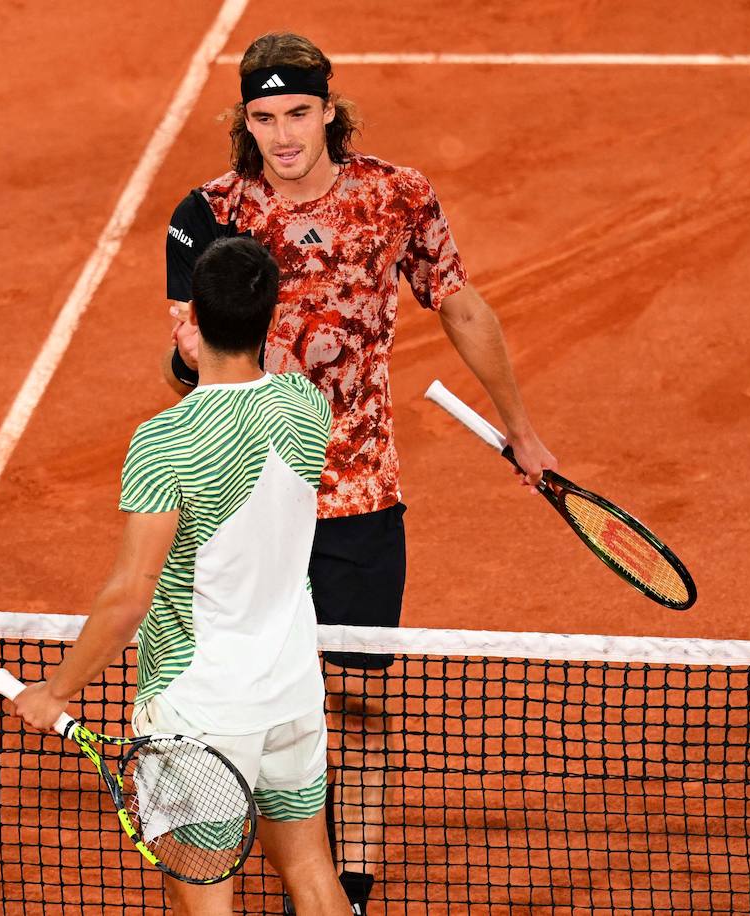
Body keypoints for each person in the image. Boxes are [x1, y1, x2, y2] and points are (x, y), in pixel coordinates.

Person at [160, 32, 559, 914]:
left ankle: (354, 885)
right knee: (230, 688)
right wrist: (208, 371)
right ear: (246, 123)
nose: (284, 134)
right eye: (264, 118)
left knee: (359, 703)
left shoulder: (397, 196)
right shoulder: (208, 213)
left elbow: (459, 302)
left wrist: (520, 430)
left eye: (298, 112)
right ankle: (239, 861)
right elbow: (184, 357)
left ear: (329, 109)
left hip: (361, 495)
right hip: (247, 497)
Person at [8, 236, 351, 916]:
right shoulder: (307, 406)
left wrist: (56, 689)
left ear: (192, 317)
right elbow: (250, 399)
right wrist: (212, 345)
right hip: (290, 693)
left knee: (205, 901)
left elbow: (130, 593)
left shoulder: (165, 442)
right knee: (312, 869)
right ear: (271, 321)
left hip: (201, 710)